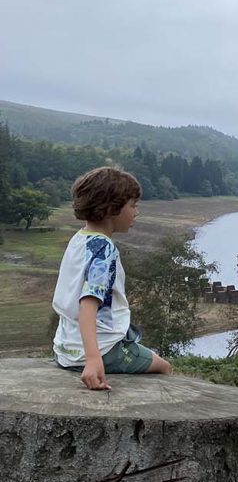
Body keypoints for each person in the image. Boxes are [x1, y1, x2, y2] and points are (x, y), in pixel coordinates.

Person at [52, 166, 172, 391]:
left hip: (65, 348)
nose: (136, 212)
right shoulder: (104, 250)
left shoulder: (79, 239)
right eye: (133, 205)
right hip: (103, 349)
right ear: (111, 209)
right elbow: (88, 302)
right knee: (164, 367)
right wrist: (93, 359)